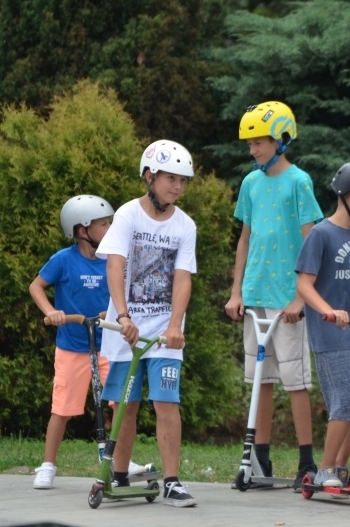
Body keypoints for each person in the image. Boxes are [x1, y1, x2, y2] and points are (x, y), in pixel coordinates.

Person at [224, 101, 324, 491]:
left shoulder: (299, 181)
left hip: (288, 301)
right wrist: (237, 292)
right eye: (249, 143)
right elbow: (245, 239)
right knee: (259, 380)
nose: (253, 150)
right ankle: (259, 458)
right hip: (255, 296)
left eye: (260, 141)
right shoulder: (250, 183)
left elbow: (311, 241)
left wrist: (302, 296)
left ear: (282, 139)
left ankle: (305, 460)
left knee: (295, 381)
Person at [98, 139, 198, 507]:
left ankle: (172, 481)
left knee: (165, 403)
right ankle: (120, 475)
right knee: (126, 405)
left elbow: (183, 277)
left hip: (164, 334)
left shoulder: (185, 225)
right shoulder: (127, 215)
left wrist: (175, 325)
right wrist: (123, 315)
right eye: (171, 178)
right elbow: (114, 265)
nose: (177, 186)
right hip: (127, 330)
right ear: (149, 176)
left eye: (183, 180)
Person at [295, 162, 350, 488]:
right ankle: (325, 469)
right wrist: (329, 310)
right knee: (346, 400)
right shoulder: (321, 234)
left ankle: (341, 468)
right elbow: (304, 285)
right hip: (333, 333)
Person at [29, 195, 114, 489]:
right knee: (62, 409)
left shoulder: (111, 259)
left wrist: (117, 312)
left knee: (120, 404)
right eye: (103, 224)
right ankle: (48, 465)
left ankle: (116, 460)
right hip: (71, 346)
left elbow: (123, 291)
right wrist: (52, 312)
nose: (110, 229)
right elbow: (36, 286)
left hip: (108, 344)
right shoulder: (64, 259)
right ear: (82, 230)